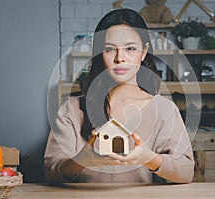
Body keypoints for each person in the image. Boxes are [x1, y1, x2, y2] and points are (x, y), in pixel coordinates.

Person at [44, 8, 194, 184]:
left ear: (144, 51)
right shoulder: (72, 109)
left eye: (130, 48)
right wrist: (81, 161)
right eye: (109, 49)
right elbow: (50, 171)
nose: (120, 58)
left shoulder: (164, 110)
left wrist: (149, 158)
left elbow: (185, 172)